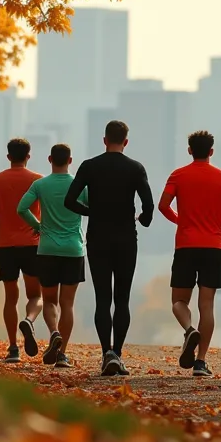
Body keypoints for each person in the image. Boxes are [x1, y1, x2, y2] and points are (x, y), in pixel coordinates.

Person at [64, 120, 154, 376]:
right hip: (126, 238)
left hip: (98, 238)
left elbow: (70, 201)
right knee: (122, 298)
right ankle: (118, 353)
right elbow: (148, 206)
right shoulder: (135, 168)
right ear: (126, 142)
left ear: (104, 140)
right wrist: (143, 220)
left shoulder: (89, 166)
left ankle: (106, 353)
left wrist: (90, 211)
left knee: (102, 298)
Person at [159, 130, 221, 378]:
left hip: (185, 245)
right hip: (213, 247)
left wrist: (180, 220)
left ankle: (188, 329)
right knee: (207, 305)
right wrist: (218, 220)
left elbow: (163, 205)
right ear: (211, 151)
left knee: (178, 301)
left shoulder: (178, 175)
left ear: (189, 150)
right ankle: (201, 362)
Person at [17, 144, 87, 369]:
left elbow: (21, 208)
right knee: (68, 304)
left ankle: (54, 331)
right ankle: (62, 355)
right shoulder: (79, 185)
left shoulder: (40, 184)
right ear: (70, 160)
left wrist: (37, 225)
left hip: (47, 250)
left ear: (49, 159)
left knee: (49, 301)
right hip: (73, 250)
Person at [0, 138, 46, 364]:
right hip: (32, 244)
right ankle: (29, 320)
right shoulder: (38, 180)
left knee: (10, 298)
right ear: (29, 156)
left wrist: (3, 209)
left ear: (8, 156)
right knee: (36, 295)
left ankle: (13, 348)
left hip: (6, 246)